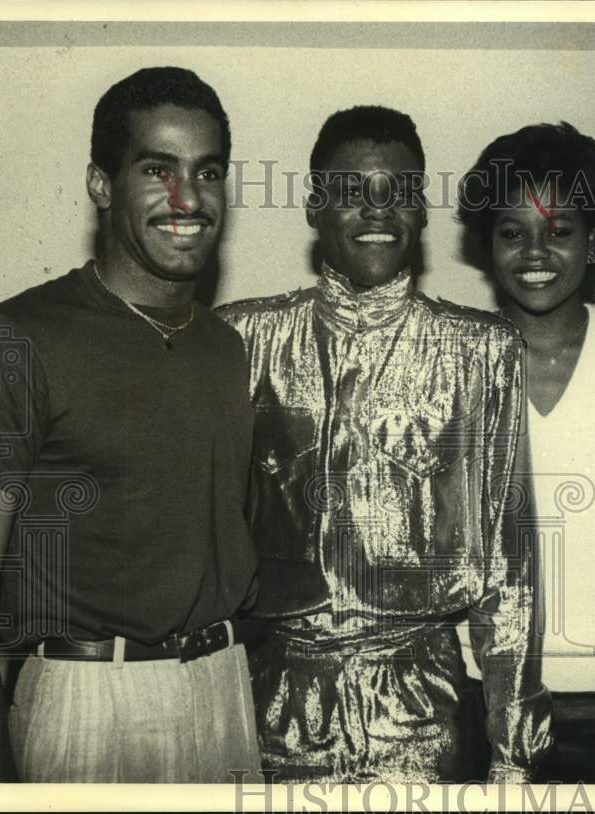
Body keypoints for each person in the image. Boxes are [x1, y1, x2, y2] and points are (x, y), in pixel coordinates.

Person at [216, 105, 551, 783]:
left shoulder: (480, 351)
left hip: (423, 711)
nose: (377, 212)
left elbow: (509, 566)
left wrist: (514, 753)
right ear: (314, 207)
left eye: (398, 192)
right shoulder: (244, 341)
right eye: (351, 192)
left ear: (422, 211)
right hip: (277, 703)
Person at [0, 66, 262, 783]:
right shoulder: (20, 337)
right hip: (87, 702)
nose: (188, 198)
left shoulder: (226, 348)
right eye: (157, 170)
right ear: (102, 184)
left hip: (225, 690)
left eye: (208, 171)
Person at [454, 122, 595, 783]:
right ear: (489, 245)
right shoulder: (454, 362)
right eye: (512, 232)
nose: (536, 251)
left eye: (561, 230)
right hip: (480, 687)